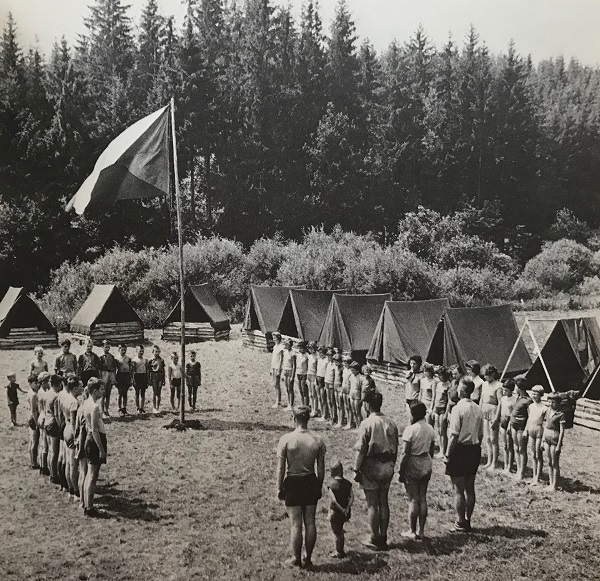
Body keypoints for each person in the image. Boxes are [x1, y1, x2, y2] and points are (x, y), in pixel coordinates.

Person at [276, 406, 326, 569]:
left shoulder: (286, 439)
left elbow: (281, 468)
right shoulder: (317, 439)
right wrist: (318, 485)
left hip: (293, 481)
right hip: (310, 480)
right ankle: (308, 558)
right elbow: (321, 468)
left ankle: (296, 559)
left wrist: (279, 487)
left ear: (294, 418)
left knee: (295, 524)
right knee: (310, 522)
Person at [353, 389, 399, 551]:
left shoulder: (366, 423)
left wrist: (356, 469)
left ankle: (374, 537)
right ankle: (383, 536)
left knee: (372, 503)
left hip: (372, 465)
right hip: (387, 464)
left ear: (367, 405)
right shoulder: (391, 422)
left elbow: (361, 450)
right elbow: (396, 447)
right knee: (383, 501)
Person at [444, 377, 484, 533]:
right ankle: (468, 520)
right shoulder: (477, 408)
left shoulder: (458, 408)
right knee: (470, 488)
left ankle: (460, 522)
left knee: (458, 489)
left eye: (459, 387)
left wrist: (447, 454)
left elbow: (453, 435)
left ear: (463, 390)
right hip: (474, 450)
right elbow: (480, 435)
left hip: (460, 450)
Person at [399, 402, 435, 540]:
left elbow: (405, 453)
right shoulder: (430, 428)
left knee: (413, 499)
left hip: (413, 463)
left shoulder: (410, 430)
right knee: (422, 497)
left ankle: (412, 530)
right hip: (425, 462)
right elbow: (431, 449)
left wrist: (401, 470)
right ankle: (422, 531)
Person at [83, 378, 107, 517]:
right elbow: (94, 430)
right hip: (95, 441)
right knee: (93, 475)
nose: (103, 392)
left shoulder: (86, 403)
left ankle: (87, 505)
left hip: (90, 440)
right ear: (95, 391)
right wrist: (101, 450)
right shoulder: (95, 406)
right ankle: (90, 507)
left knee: (89, 474)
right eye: (101, 390)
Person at [327, 461, 354, 558]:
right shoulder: (348, 484)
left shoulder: (332, 485)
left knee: (336, 532)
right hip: (346, 513)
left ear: (331, 473)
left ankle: (338, 551)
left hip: (336, 512)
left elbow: (333, 501)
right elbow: (351, 497)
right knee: (341, 530)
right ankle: (341, 550)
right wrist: (347, 507)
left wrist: (341, 509)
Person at [480, 364, 503, 471]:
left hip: (493, 411)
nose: (485, 377)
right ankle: (489, 461)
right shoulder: (484, 384)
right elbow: (481, 399)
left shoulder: (498, 386)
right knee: (487, 438)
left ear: (492, 374)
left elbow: (500, 403)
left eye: (487, 375)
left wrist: (496, 418)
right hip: (484, 411)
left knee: (494, 439)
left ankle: (495, 462)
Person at [61, 375, 81, 498]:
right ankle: (75, 490)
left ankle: (70, 489)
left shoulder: (66, 397)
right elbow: (74, 422)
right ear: (74, 389)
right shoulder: (74, 401)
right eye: (80, 387)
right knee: (73, 464)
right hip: (71, 430)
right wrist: (76, 436)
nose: (82, 389)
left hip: (65, 429)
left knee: (68, 462)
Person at [510, 377, 532, 481]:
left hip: (521, 427)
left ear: (520, 388)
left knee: (521, 449)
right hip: (514, 425)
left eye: (516, 386)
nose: (514, 388)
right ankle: (518, 470)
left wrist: (526, 430)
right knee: (515, 448)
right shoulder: (518, 398)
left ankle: (522, 472)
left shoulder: (528, 400)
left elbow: (530, 416)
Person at [525, 385, 547, 485]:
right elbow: (529, 419)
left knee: (538, 454)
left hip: (539, 430)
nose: (534, 395)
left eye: (536, 393)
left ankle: (538, 477)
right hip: (531, 429)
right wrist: (525, 430)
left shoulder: (544, 408)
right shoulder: (530, 406)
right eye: (532, 393)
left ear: (540, 395)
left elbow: (545, 423)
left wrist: (543, 438)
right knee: (533, 454)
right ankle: (534, 476)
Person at [544, 393, 566, 491]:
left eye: (553, 402)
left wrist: (559, 445)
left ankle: (555, 485)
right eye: (549, 402)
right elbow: (545, 426)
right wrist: (542, 440)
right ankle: (550, 482)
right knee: (549, 461)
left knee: (554, 462)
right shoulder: (548, 412)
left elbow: (562, 431)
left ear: (558, 403)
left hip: (554, 437)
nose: (551, 404)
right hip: (546, 437)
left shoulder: (561, 414)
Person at [45, 374, 63, 485]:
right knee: (55, 452)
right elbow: (57, 415)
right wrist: (61, 426)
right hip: (53, 424)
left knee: (50, 450)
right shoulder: (56, 396)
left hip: (47, 421)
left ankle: (51, 471)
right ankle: (54, 475)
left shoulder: (47, 393)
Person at [499, 379, 518, 474]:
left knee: (510, 445)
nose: (504, 392)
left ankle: (510, 466)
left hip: (510, 421)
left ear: (511, 390)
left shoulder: (515, 399)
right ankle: (505, 465)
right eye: (503, 390)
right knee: (505, 445)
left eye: (506, 390)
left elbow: (514, 413)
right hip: (503, 420)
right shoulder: (503, 399)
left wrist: (510, 425)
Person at [432, 366, 451, 458]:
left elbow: (449, 401)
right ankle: (440, 449)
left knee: (443, 430)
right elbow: (435, 397)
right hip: (437, 408)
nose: (439, 377)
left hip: (443, 409)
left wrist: (446, 414)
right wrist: (433, 409)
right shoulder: (438, 384)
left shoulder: (448, 385)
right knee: (438, 430)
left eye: (440, 375)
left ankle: (444, 451)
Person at [37, 372, 50, 475]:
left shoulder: (40, 392)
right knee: (45, 444)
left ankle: (42, 465)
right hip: (44, 417)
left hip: (41, 416)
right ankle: (44, 466)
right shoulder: (44, 393)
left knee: (42, 443)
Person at [99, 340, 117, 418]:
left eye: (108, 347)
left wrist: (113, 377)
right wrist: (100, 378)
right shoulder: (100, 357)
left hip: (110, 375)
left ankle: (107, 410)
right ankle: (102, 411)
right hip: (103, 374)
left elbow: (114, 367)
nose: (107, 348)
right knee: (103, 394)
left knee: (108, 394)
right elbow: (99, 369)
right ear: (102, 347)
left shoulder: (111, 357)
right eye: (106, 347)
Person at [115, 344, 133, 416]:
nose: (123, 351)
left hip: (126, 376)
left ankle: (124, 408)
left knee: (125, 393)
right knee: (120, 393)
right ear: (119, 350)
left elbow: (131, 369)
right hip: (120, 375)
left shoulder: (128, 358)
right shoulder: (116, 358)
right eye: (122, 350)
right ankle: (119, 408)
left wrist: (131, 378)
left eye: (125, 350)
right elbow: (115, 369)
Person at [27, 374, 40, 469]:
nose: (37, 384)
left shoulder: (31, 392)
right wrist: (37, 422)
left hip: (30, 417)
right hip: (33, 419)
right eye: (35, 383)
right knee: (34, 442)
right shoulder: (34, 395)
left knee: (32, 441)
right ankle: (34, 462)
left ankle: (32, 460)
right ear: (30, 384)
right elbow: (34, 411)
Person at [149, 345, 165, 414]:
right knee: (155, 392)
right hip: (154, 375)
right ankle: (154, 407)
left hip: (160, 376)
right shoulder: (150, 360)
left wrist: (164, 379)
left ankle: (158, 407)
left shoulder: (161, 360)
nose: (157, 353)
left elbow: (163, 370)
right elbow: (149, 370)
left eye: (158, 352)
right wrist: (149, 379)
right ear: (153, 352)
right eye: (156, 351)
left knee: (159, 392)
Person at [133, 345, 149, 414]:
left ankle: (142, 407)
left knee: (143, 393)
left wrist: (148, 379)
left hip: (143, 376)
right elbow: (133, 371)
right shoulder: (134, 360)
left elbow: (147, 369)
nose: (141, 352)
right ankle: (137, 407)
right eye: (140, 351)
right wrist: (133, 379)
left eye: (142, 351)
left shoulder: (145, 360)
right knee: (137, 393)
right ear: (136, 351)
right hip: (137, 376)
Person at [281, 339, 297, 410]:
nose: (286, 346)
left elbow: (294, 365)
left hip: (290, 371)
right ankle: (288, 403)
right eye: (285, 344)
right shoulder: (285, 352)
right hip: (285, 370)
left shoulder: (293, 353)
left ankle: (291, 404)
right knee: (287, 388)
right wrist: (282, 373)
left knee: (290, 389)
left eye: (287, 344)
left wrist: (292, 376)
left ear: (290, 345)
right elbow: (284, 363)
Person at [270, 332, 285, 408]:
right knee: (274, 384)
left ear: (278, 338)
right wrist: (271, 368)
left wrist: (279, 369)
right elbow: (273, 358)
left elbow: (281, 359)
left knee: (277, 384)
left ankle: (278, 401)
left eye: (275, 338)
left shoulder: (281, 347)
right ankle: (277, 400)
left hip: (277, 368)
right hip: (273, 367)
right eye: (273, 338)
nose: (273, 339)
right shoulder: (275, 346)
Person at [348, 362, 364, 428]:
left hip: (357, 396)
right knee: (353, 411)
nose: (352, 372)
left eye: (354, 370)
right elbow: (350, 385)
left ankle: (360, 427)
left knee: (358, 412)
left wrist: (361, 398)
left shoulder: (361, 377)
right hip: (351, 394)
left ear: (357, 370)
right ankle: (357, 426)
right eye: (351, 370)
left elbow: (362, 388)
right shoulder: (351, 376)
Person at [316, 347, 329, 421]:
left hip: (323, 379)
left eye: (321, 353)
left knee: (323, 398)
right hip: (318, 378)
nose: (319, 354)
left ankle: (325, 415)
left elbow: (326, 372)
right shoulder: (319, 360)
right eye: (319, 353)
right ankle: (321, 413)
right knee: (319, 397)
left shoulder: (326, 361)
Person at [296, 342, 310, 408]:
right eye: (299, 348)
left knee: (305, 391)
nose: (300, 350)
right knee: (300, 390)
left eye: (301, 348)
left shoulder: (307, 356)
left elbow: (308, 366)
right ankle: (302, 404)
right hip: (299, 374)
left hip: (304, 374)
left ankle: (306, 405)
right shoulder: (298, 355)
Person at [306, 342, 319, 416]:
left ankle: (315, 410)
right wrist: (307, 378)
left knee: (314, 394)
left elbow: (318, 368)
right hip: (309, 375)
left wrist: (316, 379)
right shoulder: (309, 356)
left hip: (314, 375)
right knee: (310, 394)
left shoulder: (317, 357)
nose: (311, 350)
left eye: (312, 348)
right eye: (310, 348)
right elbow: (308, 367)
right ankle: (312, 408)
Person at [341, 356, 353, 430]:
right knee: (346, 406)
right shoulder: (344, 370)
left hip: (349, 390)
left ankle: (350, 423)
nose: (345, 364)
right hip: (344, 389)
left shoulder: (351, 371)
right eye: (344, 363)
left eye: (346, 363)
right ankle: (348, 421)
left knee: (349, 407)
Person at [332, 356, 344, 427]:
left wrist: (341, 391)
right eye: (334, 362)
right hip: (335, 386)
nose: (335, 363)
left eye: (336, 362)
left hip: (340, 387)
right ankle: (338, 420)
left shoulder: (342, 369)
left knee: (340, 405)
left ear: (340, 361)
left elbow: (343, 380)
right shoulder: (335, 368)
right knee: (337, 405)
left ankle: (341, 422)